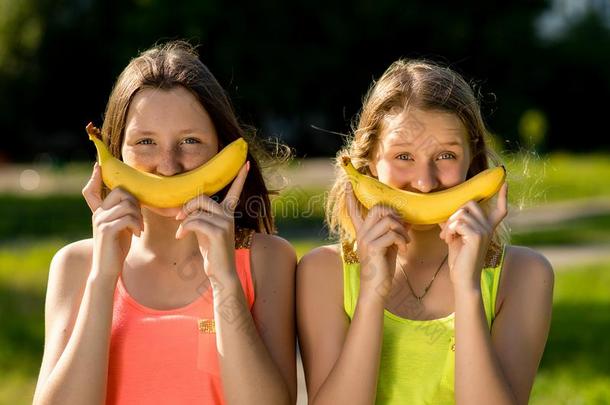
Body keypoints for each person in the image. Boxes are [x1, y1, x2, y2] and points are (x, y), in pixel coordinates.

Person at [33, 41, 297, 405]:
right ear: (114, 154)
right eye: (145, 142)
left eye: (190, 141)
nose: (168, 165)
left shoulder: (266, 260)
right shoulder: (75, 267)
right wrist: (103, 279)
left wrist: (224, 282)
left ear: (221, 150)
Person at [297, 59, 554, 404]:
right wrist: (373, 291)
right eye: (403, 156)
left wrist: (468, 289)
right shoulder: (323, 272)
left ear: (473, 162)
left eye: (446, 155)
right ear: (371, 161)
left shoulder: (524, 275)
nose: (424, 182)